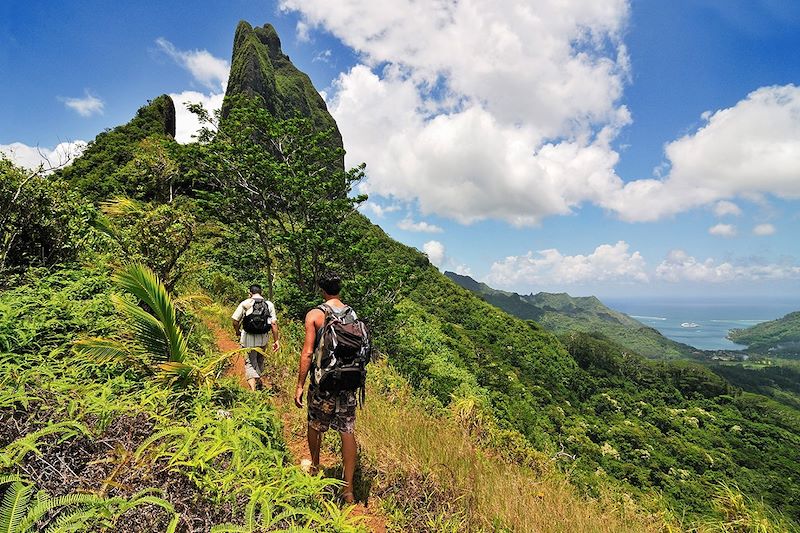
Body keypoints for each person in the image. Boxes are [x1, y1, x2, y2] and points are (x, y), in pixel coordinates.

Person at [295, 272, 360, 504]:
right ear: (339, 289)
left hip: (324, 383)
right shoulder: (352, 314)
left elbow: (308, 353)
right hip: (348, 384)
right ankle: (348, 489)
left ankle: (314, 466)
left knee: (315, 424)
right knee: (347, 431)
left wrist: (300, 384)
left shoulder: (315, 314)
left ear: (322, 290)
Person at [232, 284, 280, 391]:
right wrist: (276, 340)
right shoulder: (269, 304)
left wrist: (237, 331)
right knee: (259, 360)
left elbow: (235, 320)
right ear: (261, 292)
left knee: (249, 362)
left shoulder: (245, 303)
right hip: (263, 339)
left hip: (248, 339)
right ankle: (258, 382)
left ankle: (253, 390)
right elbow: (273, 323)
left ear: (250, 293)